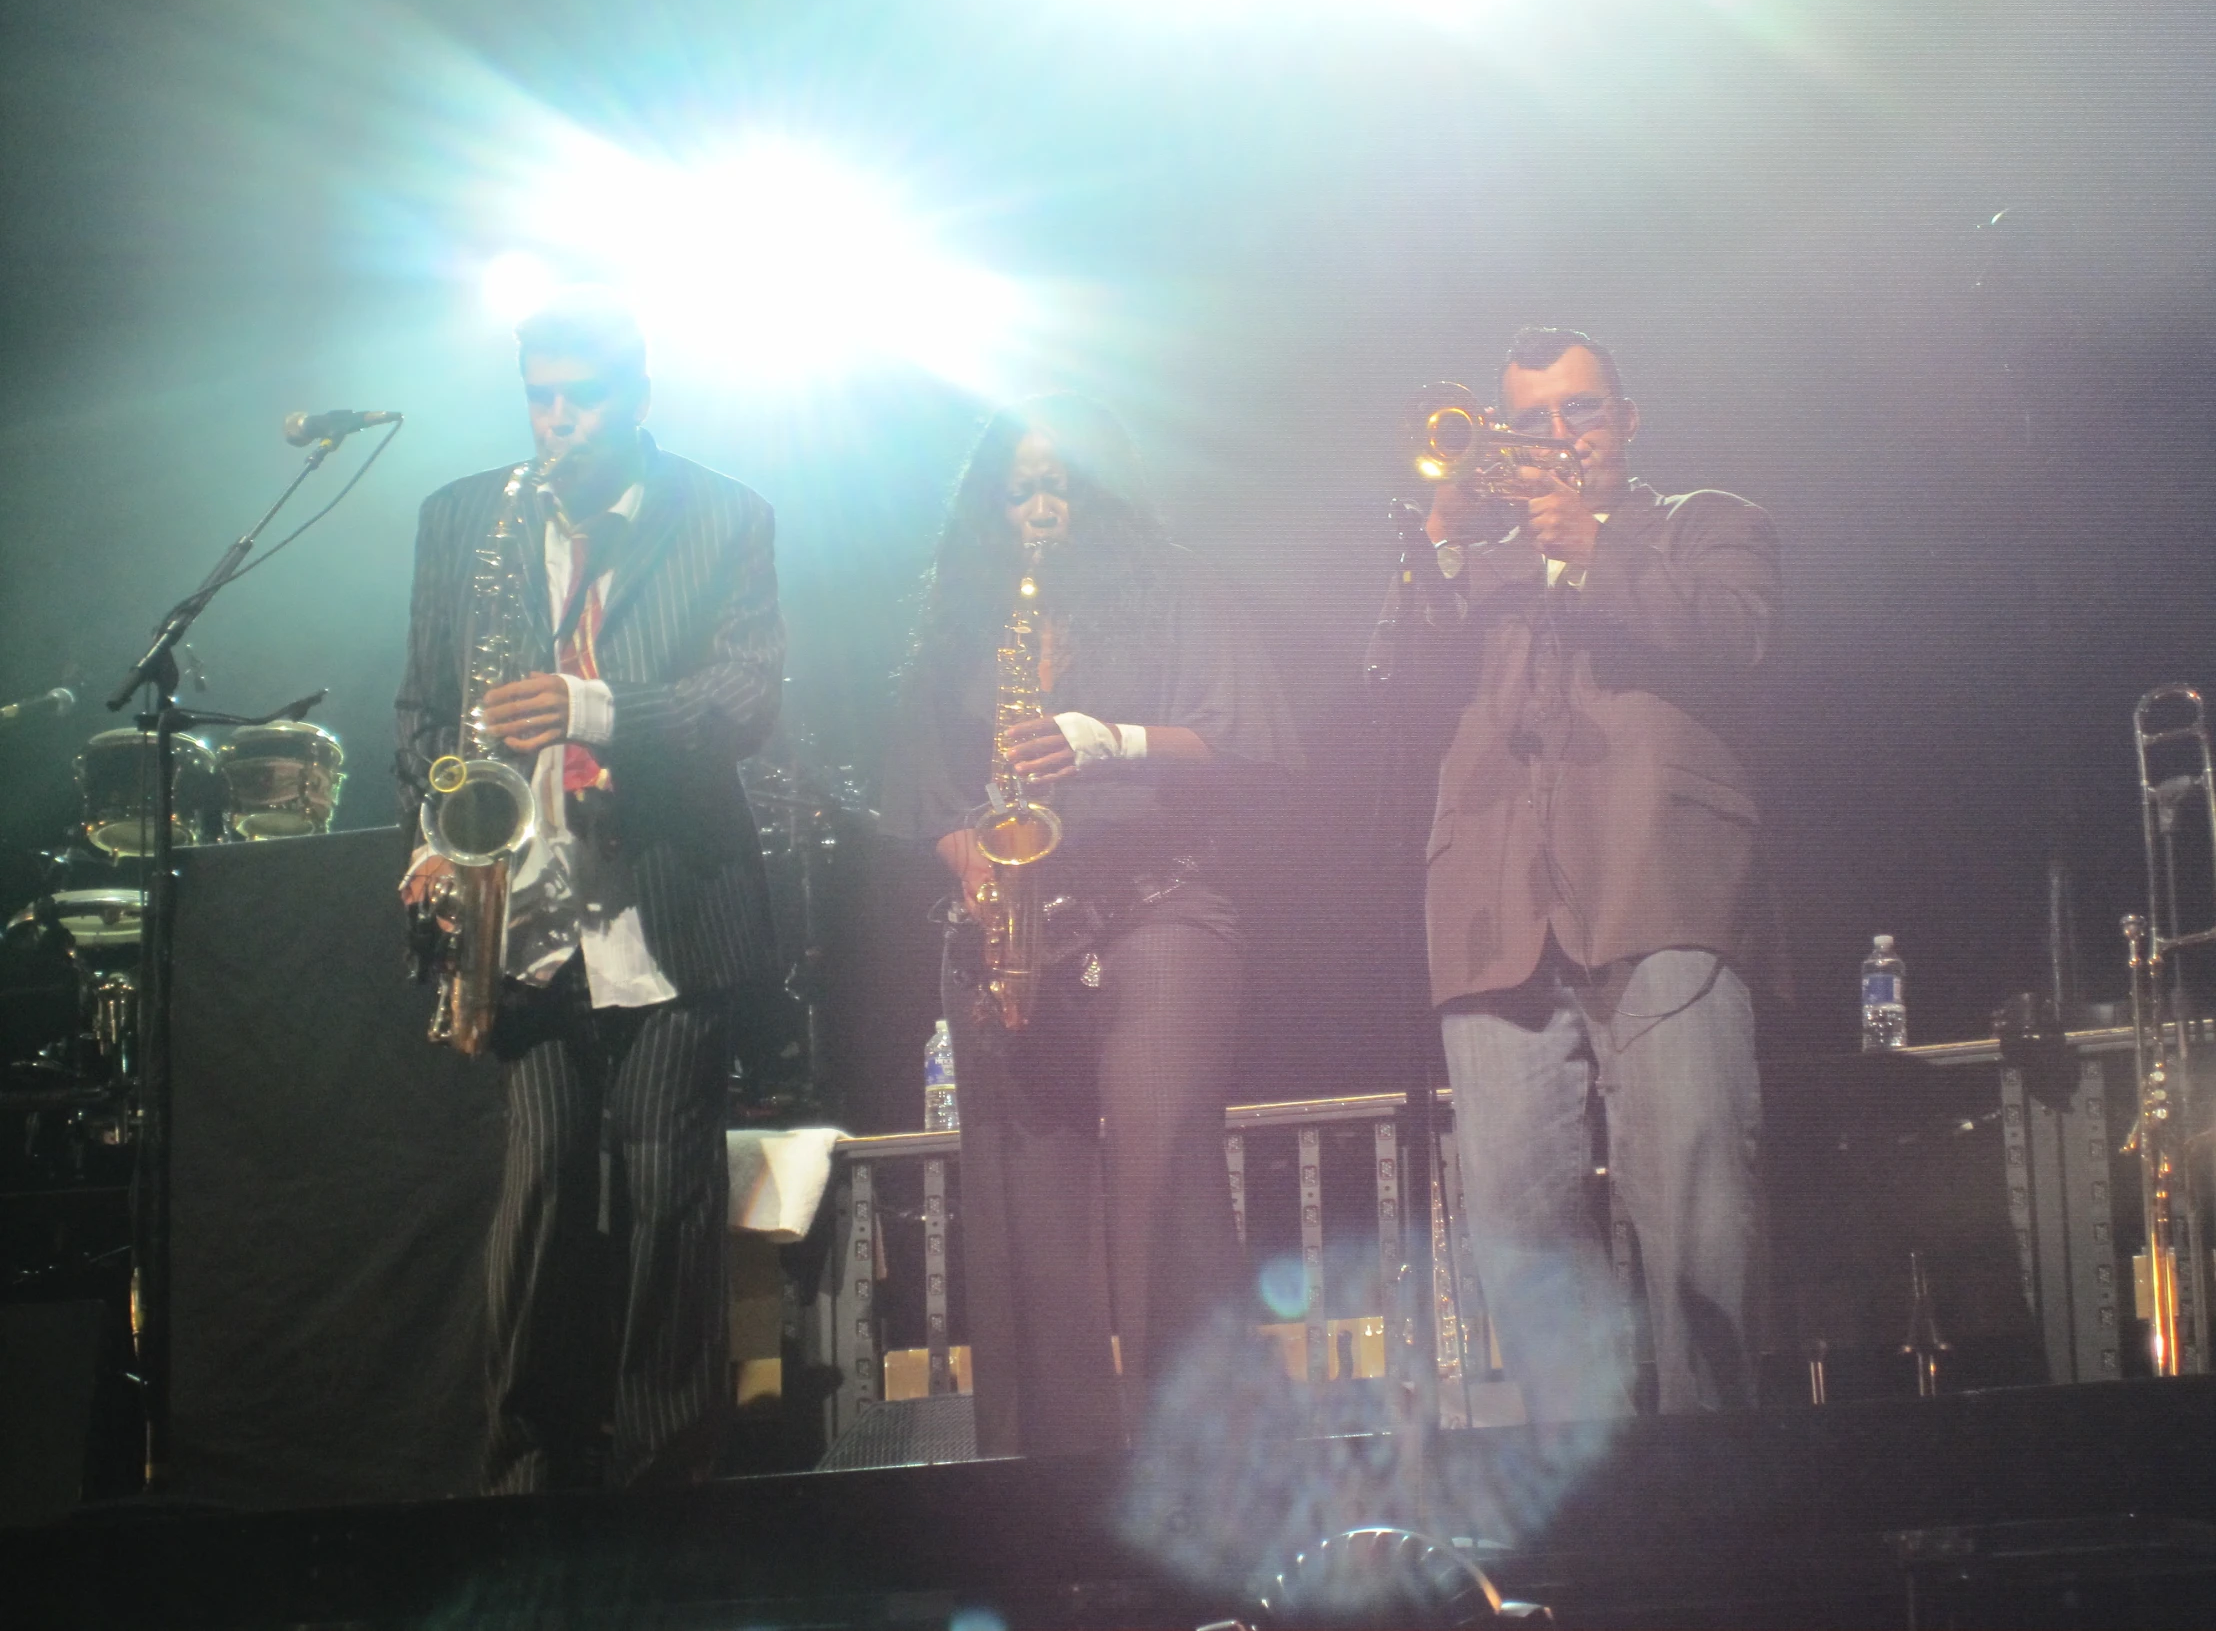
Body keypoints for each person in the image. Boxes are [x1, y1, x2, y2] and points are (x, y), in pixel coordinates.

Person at [395, 291, 784, 1492]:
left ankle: (668, 1488)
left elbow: (743, 701)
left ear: (640, 398)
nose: (556, 420)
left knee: (668, 1197)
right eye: (539, 395)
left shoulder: (722, 513)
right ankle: (522, 1486)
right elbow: (424, 712)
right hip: (524, 911)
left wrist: (589, 704)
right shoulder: (467, 517)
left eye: (583, 395)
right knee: (540, 1196)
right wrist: (430, 834)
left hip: (665, 907)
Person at [881, 393, 1299, 1456]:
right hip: (1018, 928)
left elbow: (1253, 741)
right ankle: (1049, 1498)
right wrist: (976, 871)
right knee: (1028, 1229)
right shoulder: (961, 622)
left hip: (1158, 905)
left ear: (1097, 494)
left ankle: (1205, 1469)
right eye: (1015, 492)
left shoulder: (1177, 586)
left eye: (1056, 487)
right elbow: (928, 791)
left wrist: (1106, 739)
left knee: (1161, 1185)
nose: (1036, 510)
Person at [1389, 326, 1782, 1418]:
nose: (1555, 438)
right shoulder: (1489, 566)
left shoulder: (1704, 522)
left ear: (1626, 419)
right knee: (1515, 1227)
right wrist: (1443, 548)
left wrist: (1587, 549)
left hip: (1660, 891)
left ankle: (1716, 1495)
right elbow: (1393, 695)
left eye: (1579, 412)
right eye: (1528, 423)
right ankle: (1591, 1509)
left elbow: (1735, 635)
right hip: (1495, 914)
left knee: (1695, 1213)